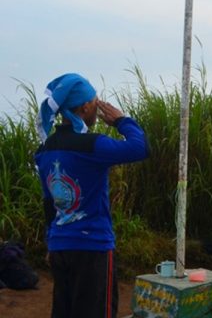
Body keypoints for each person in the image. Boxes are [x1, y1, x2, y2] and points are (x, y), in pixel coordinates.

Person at [34, 73, 150, 318]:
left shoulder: (45, 150)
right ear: (85, 107)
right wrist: (122, 120)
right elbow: (140, 148)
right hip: (92, 247)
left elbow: (48, 202)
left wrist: (50, 239)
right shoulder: (91, 145)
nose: (98, 109)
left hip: (59, 246)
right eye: (96, 103)